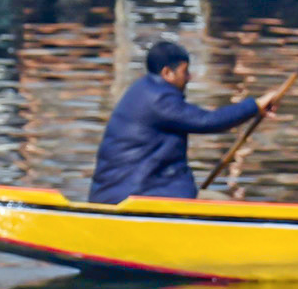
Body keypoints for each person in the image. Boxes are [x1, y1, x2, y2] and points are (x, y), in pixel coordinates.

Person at [87, 38, 286, 205]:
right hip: (136, 195)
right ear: (167, 73)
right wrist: (255, 106)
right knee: (227, 207)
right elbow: (208, 121)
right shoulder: (159, 99)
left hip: (126, 192)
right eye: (185, 72)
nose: (189, 77)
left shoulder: (142, 90)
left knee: (220, 202)